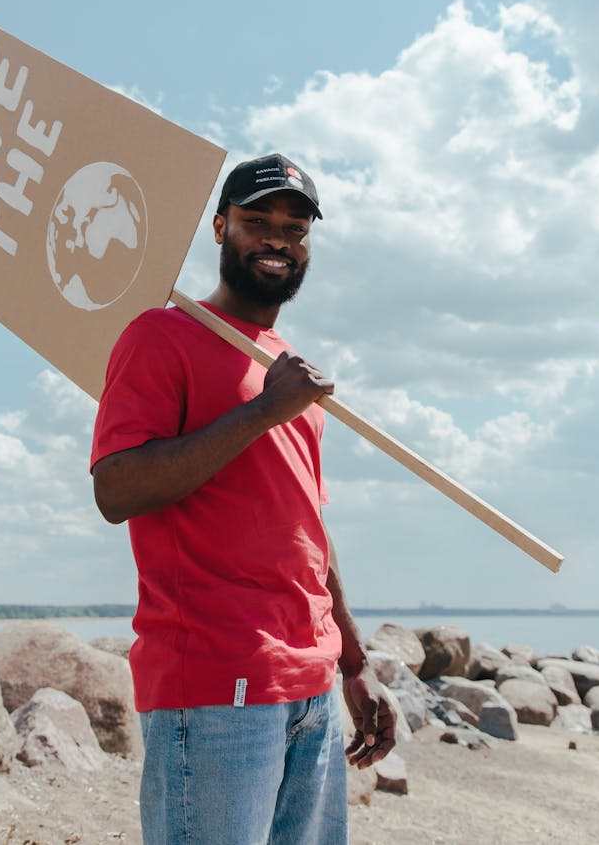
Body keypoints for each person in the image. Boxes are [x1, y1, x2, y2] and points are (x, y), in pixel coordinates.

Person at [91, 153, 395, 845]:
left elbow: (307, 526)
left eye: (295, 227)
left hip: (310, 685)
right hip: (216, 685)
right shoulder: (161, 336)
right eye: (257, 221)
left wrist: (353, 662)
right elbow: (116, 488)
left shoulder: (289, 368)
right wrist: (265, 408)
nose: (277, 238)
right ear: (221, 227)